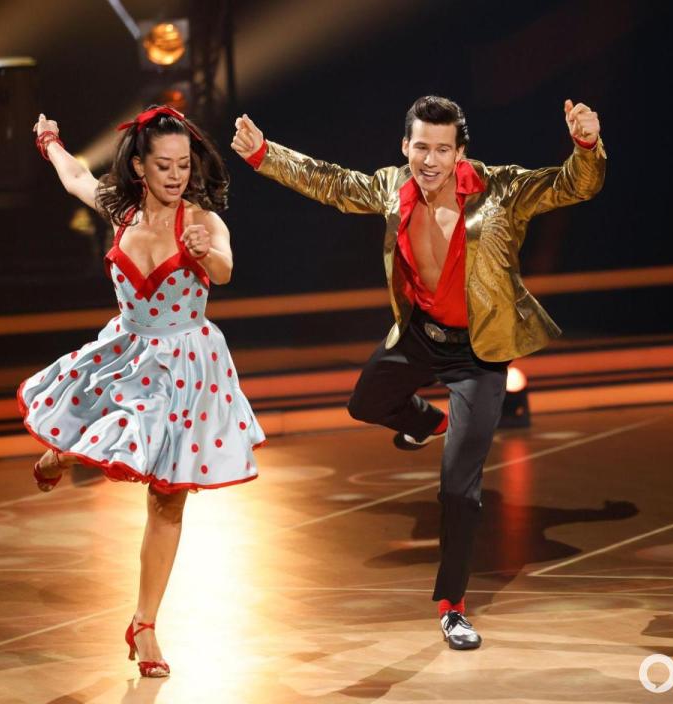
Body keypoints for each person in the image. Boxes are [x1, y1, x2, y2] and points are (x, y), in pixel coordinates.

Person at [231, 95, 604, 650]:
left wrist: (586, 144)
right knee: (364, 403)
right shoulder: (392, 187)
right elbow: (331, 182)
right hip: (420, 334)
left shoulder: (499, 189)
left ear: (460, 153)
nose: (430, 160)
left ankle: (452, 607)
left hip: (480, 351)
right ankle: (430, 423)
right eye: (421, 147)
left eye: (442, 150)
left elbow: (573, 185)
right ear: (405, 146)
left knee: (458, 490)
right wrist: (264, 154)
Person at [19, 105, 265, 677]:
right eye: (164, 165)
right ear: (139, 166)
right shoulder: (119, 211)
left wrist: (207, 253)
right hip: (130, 353)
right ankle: (62, 453)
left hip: (185, 369)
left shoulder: (202, 220)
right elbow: (76, 178)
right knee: (106, 436)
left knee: (167, 496)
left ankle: (145, 624)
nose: (176, 175)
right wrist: (50, 142)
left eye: (183, 165)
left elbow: (225, 269)